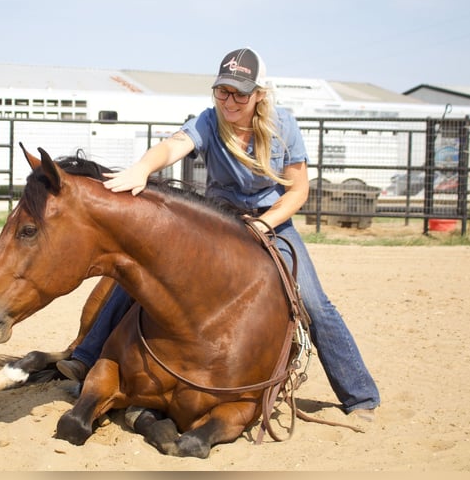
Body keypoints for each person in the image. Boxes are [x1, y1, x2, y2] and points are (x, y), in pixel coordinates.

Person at [56, 48, 380, 418]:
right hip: (218, 221)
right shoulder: (209, 122)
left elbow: (298, 190)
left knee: (315, 303)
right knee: (139, 271)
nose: (230, 101)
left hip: (273, 221)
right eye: (223, 91)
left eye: (240, 93)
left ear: (259, 94)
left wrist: (265, 224)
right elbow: (174, 145)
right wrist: (143, 168)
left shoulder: (284, 126)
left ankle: (359, 396)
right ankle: (85, 356)